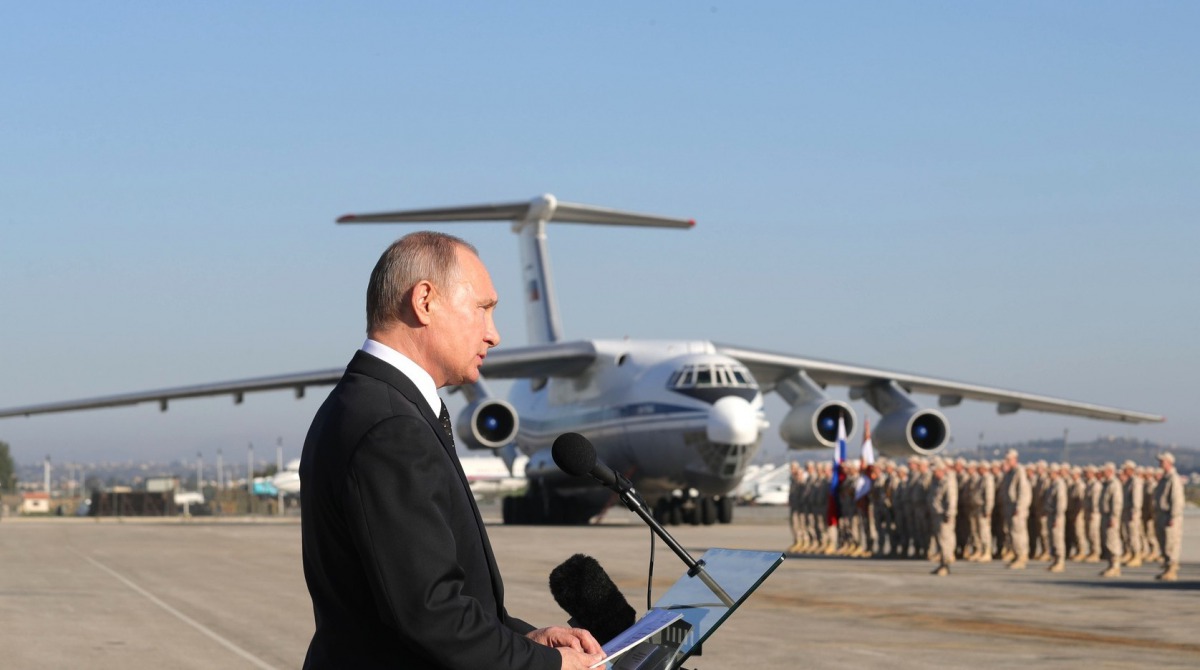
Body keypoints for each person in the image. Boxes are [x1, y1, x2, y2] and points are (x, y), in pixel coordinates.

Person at [299, 232, 603, 669]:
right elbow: (431, 614)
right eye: (483, 309)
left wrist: (525, 640)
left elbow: (419, 600)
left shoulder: (370, 403)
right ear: (424, 301)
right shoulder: (391, 427)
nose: (494, 335)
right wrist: (551, 667)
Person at [1153, 452, 1185, 581]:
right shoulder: (1165, 478)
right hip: (1161, 514)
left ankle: (1172, 569)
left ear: (1169, 462)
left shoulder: (1173, 478)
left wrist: (1173, 516)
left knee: (1171, 543)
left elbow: (1177, 500)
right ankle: (1167, 567)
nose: (1160, 463)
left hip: (1169, 515)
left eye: (1162, 461)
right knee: (1163, 543)